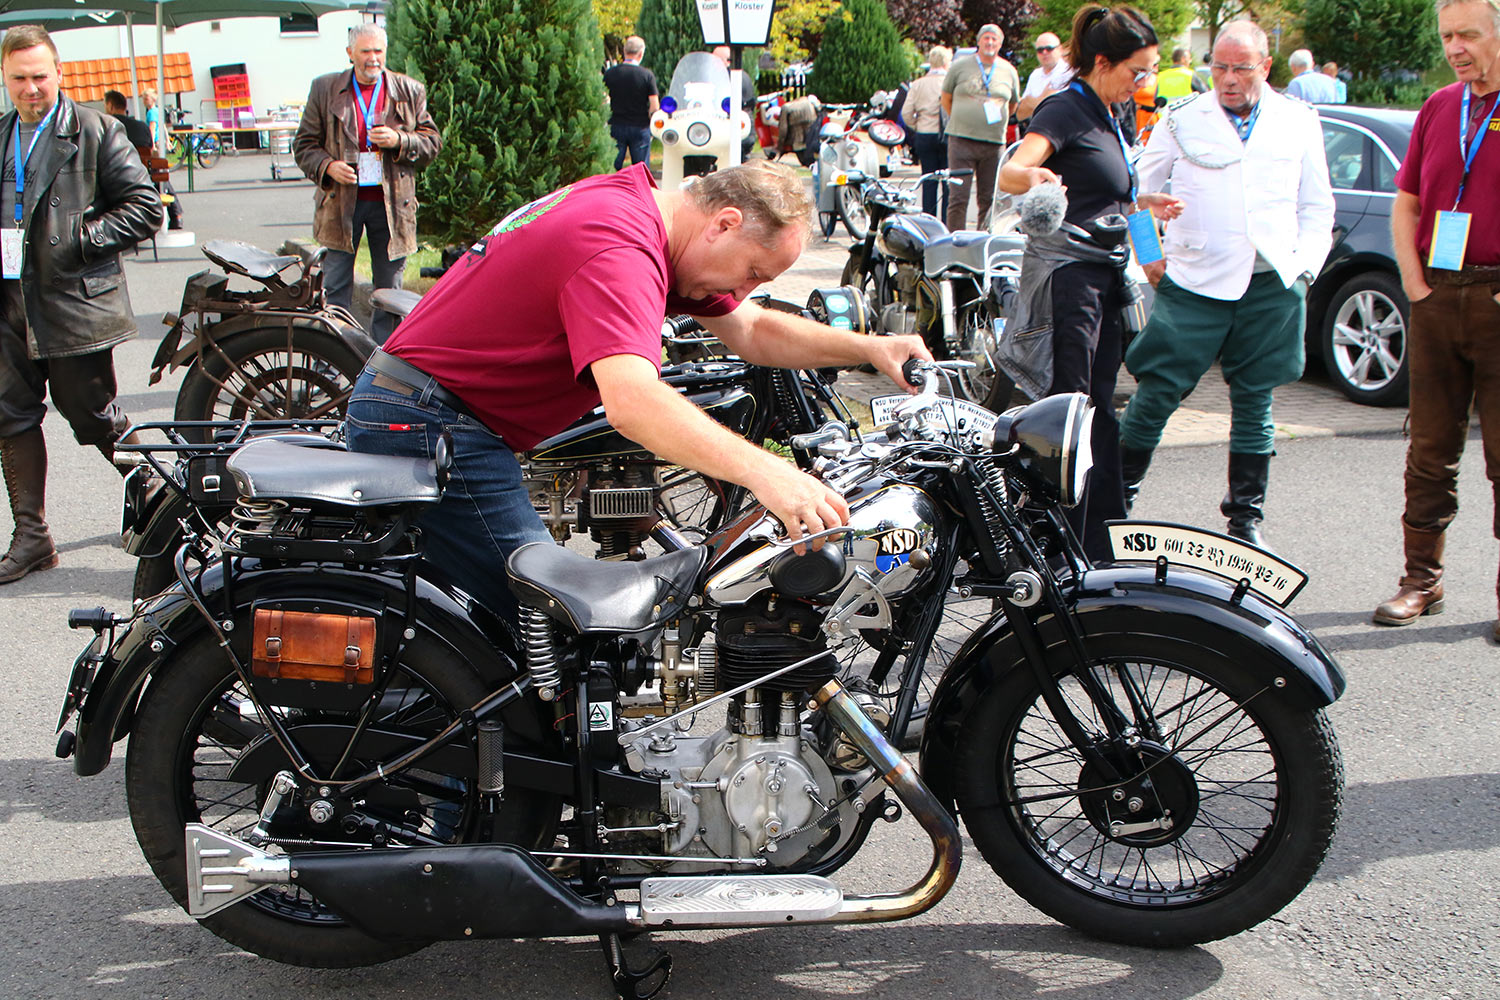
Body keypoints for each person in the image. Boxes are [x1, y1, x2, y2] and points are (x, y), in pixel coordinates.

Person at [343, 161, 932, 618]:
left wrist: (869, 347)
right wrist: (771, 474)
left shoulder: (647, 217)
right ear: (724, 222)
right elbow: (632, 401)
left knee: (532, 619)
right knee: (551, 619)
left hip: (436, 410)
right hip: (426, 419)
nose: (746, 289)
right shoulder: (620, 244)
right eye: (753, 272)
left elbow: (751, 329)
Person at [1117, 21, 1334, 550]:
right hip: (1193, 281)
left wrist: (1303, 267)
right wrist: (1148, 255)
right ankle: (1115, 502)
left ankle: (1245, 522)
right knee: (1157, 392)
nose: (1228, 78)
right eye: (1219, 66)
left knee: (1256, 400)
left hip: (1272, 284)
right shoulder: (1182, 118)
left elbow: (1316, 206)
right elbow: (1133, 190)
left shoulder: (1298, 120)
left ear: (1265, 66)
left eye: (1241, 67)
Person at [997, 4, 1182, 562]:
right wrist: (1034, 175)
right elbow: (1011, 169)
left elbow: (1109, 195)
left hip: (1102, 276)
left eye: (1149, 72)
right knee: (1069, 410)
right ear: (1103, 62)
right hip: (1068, 277)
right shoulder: (1067, 107)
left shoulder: (1110, 110)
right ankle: (1052, 540)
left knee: (1099, 406)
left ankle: (1101, 538)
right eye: (1137, 71)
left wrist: (1144, 216)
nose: (1143, 83)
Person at [0, 25, 163, 584]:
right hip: (8, 305)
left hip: (72, 304)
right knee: (11, 416)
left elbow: (145, 207)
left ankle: (165, 504)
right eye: (19, 78)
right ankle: (32, 537)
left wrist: (79, 239)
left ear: (60, 73)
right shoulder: (1, 136)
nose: (30, 88)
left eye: (39, 76)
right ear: (5, 78)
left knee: (93, 417)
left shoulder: (96, 130)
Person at [1372, 0, 1500, 632]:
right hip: (1436, 297)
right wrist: (1414, 282)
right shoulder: (1441, 106)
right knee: (1428, 450)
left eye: (1468, 35)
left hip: (1498, 297)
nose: (1456, 47)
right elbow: (1408, 201)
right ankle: (1421, 582)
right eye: (1448, 35)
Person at [293, 24, 441, 345]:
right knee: (335, 287)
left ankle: (382, 362)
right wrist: (328, 166)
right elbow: (303, 145)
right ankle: (335, 360)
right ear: (350, 54)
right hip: (340, 205)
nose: (373, 58)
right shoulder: (324, 89)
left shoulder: (409, 90)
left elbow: (432, 143)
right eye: (365, 51)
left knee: (389, 291)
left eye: (378, 51)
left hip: (393, 208)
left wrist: (399, 139)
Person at [942, 23, 1020, 230]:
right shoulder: (959, 67)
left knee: (989, 198)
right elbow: (946, 99)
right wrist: (964, 118)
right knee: (958, 197)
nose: (990, 42)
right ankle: (955, 242)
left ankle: (982, 241)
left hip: (994, 143)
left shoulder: (1009, 70)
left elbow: (1012, 105)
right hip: (961, 140)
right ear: (978, 41)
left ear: (1000, 43)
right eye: (986, 38)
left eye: (994, 39)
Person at [104, 89, 183, 230]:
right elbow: (150, 148)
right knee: (157, 170)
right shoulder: (141, 126)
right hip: (144, 177)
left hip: (118, 181)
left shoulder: (106, 127)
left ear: (110, 106)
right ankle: (176, 214)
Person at [902, 46, 951, 217]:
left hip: (925, 133)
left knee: (928, 181)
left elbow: (906, 113)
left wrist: (917, 125)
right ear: (947, 62)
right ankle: (947, 223)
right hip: (948, 134)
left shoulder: (918, 84)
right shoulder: (950, 83)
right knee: (948, 182)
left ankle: (929, 219)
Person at [603, 35, 658, 170]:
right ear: (641, 54)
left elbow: (603, 99)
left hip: (616, 125)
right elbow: (654, 105)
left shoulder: (610, 74)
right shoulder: (646, 75)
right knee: (641, 170)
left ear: (624, 51)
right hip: (640, 126)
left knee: (612, 167)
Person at [1016, 31, 1074, 127]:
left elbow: (1062, 107)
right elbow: (1020, 114)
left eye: (1049, 48)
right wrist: (1043, 99)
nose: (1044, 52)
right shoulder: (1035, 75)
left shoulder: (1069, 73)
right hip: (1039, 129)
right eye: (1040, 50)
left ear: (1060, 49)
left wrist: (1033, 102)